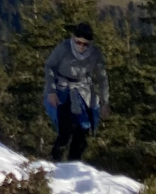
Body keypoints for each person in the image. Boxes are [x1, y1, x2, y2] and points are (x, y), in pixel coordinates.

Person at [42, 20, 109, 162]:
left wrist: (105, 102)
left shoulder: (95, 54)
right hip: (62, 90)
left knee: (83, 131)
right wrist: (51, 91)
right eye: (79, 42)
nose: (82, 47)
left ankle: (74, 164)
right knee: (65, 130)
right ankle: (56, 162)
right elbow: (49, 66)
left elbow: (102, 78)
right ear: (74, 39)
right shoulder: (64, 48)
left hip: (83, 92)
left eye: (85, 44)